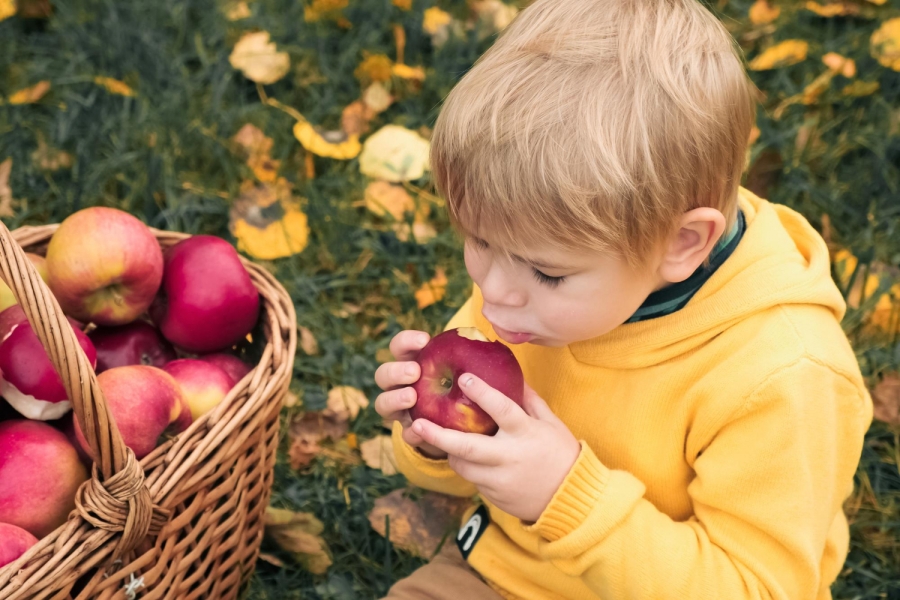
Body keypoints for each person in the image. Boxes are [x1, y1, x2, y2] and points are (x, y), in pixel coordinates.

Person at [373, 0, 873, 597]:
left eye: (546, 271)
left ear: (682, 243)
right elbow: (461, 476)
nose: (493, 290)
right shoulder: (530, 292)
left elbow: (755, 587)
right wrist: (435, 442)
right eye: (478, 239)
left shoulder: (780, 377)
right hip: (505, 579)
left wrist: (565, 498)